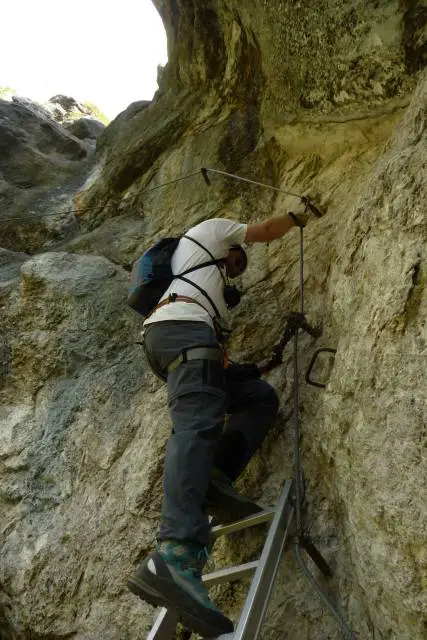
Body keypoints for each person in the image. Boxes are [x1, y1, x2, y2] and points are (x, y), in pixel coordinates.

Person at [127, 207, 310, 637]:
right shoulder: (209, 230)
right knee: (194, 425)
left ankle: (213, 475)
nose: (238, 263)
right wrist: (298, 216)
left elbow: (221, 369)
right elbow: (265, 229)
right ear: (227, 247)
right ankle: (173, 552)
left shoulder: (204, 288)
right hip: (181, 332)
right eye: (237, 256)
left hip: (181, 338)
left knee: (257, 398)